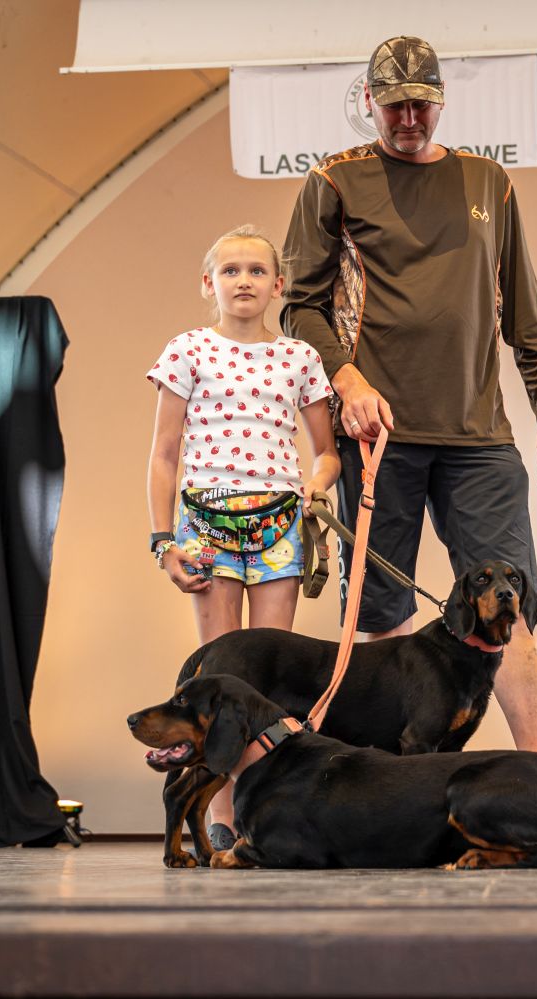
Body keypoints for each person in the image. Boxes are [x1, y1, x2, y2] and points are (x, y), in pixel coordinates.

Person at [280, 36, 537, 756]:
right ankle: (392, 791)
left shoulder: (489, 182)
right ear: (368, 102)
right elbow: (299, 306)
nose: (409, 118)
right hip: (378, 439)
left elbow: (525, 312)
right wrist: (347, 379)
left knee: (513, 609)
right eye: (394, 106)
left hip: (479, 438)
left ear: (440, 101)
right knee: (384, 614)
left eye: (421, 104)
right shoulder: (334, 181)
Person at [146, 224, 340, 846]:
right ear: (209, 283)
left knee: (268, 678)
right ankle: (220, 819)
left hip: (279, 522)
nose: (244, 281)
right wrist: (163, 542)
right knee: (218, 678)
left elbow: (327, 453)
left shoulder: (300, 358)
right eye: (230, 270)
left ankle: (264, 817)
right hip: (206, 523)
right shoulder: (188, 351)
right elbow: (164, 454)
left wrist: (316, 486)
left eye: (257, 271)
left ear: (279, 285)